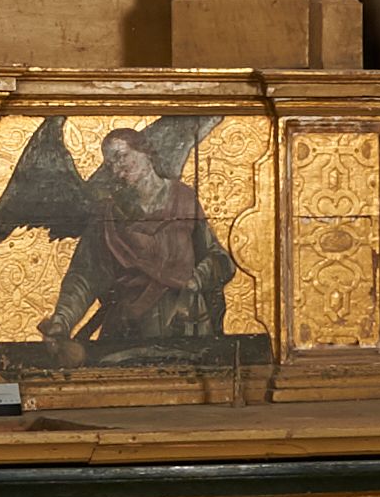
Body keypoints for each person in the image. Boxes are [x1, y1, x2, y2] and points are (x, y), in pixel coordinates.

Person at [37, 129, 233, 351]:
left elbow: (219, 259)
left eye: (121, 156)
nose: (116, 169)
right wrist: (61, 321)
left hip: (185, 327)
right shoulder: (109, 216)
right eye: (110, 164)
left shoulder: (183, 199)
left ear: (145, 152)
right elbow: (83, 276)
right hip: (128, 332)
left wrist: (196, 279)